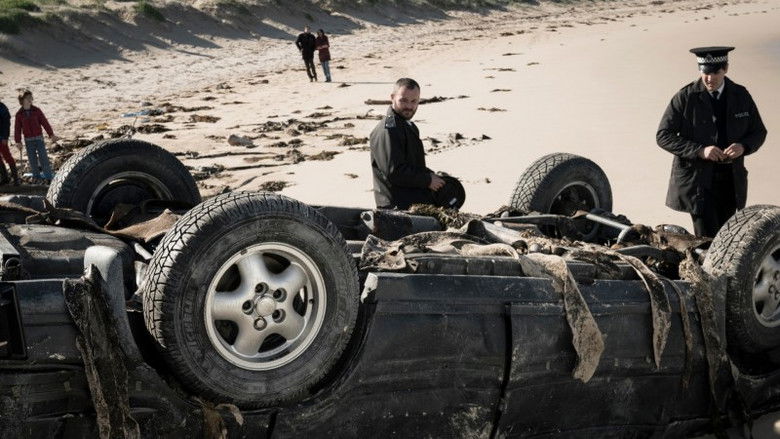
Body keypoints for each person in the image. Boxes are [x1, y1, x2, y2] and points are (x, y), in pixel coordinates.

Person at [656, 46, 767, 238]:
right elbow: (663, 135)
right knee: (706, 240)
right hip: (698, 184)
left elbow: (758, 132)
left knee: (726, 238)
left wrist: (743, 146)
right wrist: (699, 150)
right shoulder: (685, 97)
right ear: (700, 70)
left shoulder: (741, 95)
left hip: (731, 182)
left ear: (726, 69)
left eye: (715, 72)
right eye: (705, 72)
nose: (709, 78)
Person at [370, 78, 449, 210]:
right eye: (403, 100)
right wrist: (427, 180)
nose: (409, 106)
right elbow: (394, 172)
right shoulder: (388, 129)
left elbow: (413, 165)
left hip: (412, 202)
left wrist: (432, 176)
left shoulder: (408, 126)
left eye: (414, 101)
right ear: (392, 98)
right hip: (396, 208)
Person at [14, 89, 58, 182]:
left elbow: (45, 123)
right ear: (22, 100)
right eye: (28, 98)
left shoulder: (37, 111)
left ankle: (49, 177)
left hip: (39, 139)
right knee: (32, 160)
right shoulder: (19, 114)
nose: (30, 99)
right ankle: (37, 177)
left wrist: (51, 134)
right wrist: (18, 141)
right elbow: (17, 129)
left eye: (31, 97)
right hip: (28, 140)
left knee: (43, 158)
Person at [0, 98, 19, 185]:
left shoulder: (2, 108)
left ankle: (16, 179)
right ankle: (4, 178)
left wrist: (5, 137)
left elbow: (6, 124)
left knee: (7, 156)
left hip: (2, 137)